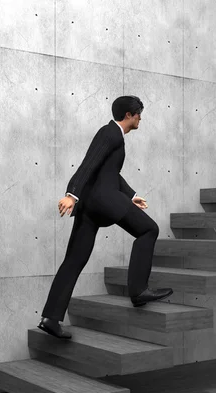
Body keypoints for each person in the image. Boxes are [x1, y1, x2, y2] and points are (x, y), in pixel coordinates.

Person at [38, 95, 173, 339]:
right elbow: (87, 165)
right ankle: (139, 290)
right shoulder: (109, 133)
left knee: (74, 260)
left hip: (92, 206)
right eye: (139, 113)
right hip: (103, 201)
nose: (141, 118)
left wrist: (131, 196)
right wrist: (71, 194)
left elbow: (108, 172)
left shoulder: (114, 137)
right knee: (148, 230)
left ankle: (50, 318)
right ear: (129, 115)